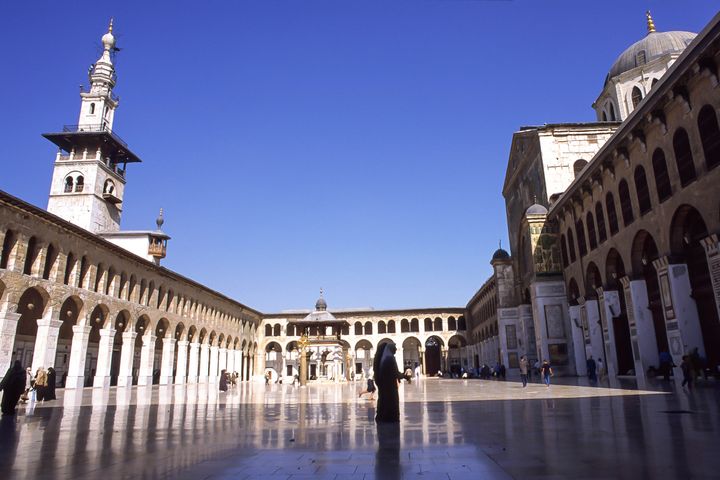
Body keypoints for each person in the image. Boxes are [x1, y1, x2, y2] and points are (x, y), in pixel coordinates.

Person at [373, 342, 410, 423]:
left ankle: (382, 417)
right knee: (391, 401)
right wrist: (405, 376)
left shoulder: (384, 358)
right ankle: (390, 418)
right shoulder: (390, 358)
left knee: (383, 400)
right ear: (390, 349)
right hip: (390, 386)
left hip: (384, 385)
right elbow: (395, 373)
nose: (396, 349)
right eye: (394, 348)